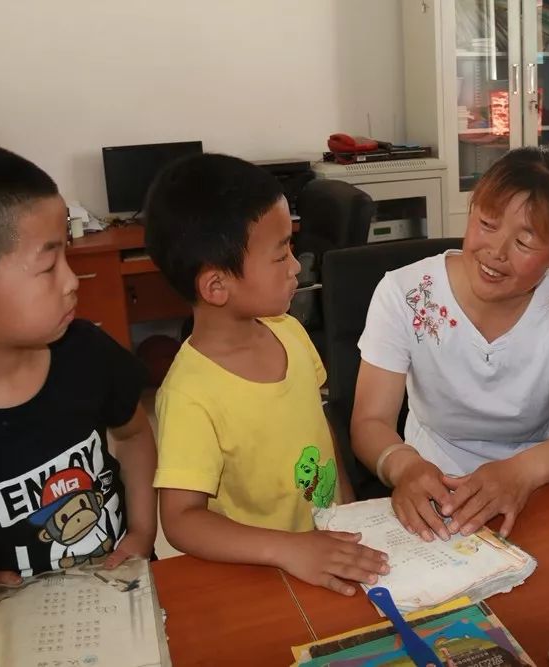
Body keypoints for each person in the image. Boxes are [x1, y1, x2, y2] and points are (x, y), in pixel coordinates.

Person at [351, 146, 549, 542]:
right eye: (487, 223)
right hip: (437, 484)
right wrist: (404, 468)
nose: (495, 252)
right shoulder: (405, 292)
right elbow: (369, 421)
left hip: (543, 475)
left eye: (524, 242)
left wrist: (520, 471)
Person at [145, 153, 387, 596]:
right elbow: (181, 520)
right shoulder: (189, 394)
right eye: (281, 255)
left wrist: (348, 505)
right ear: (217, 286)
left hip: (328, 549)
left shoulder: (289, 331)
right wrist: (289, 549)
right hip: (263, 573)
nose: (297, 266)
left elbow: (320, 424)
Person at [0, 139, 157, 583]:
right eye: (48, 267)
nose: (71, 281)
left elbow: (135, 436)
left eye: (69, 255)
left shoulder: (84, 352)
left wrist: (140, 532)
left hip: (123, 593)